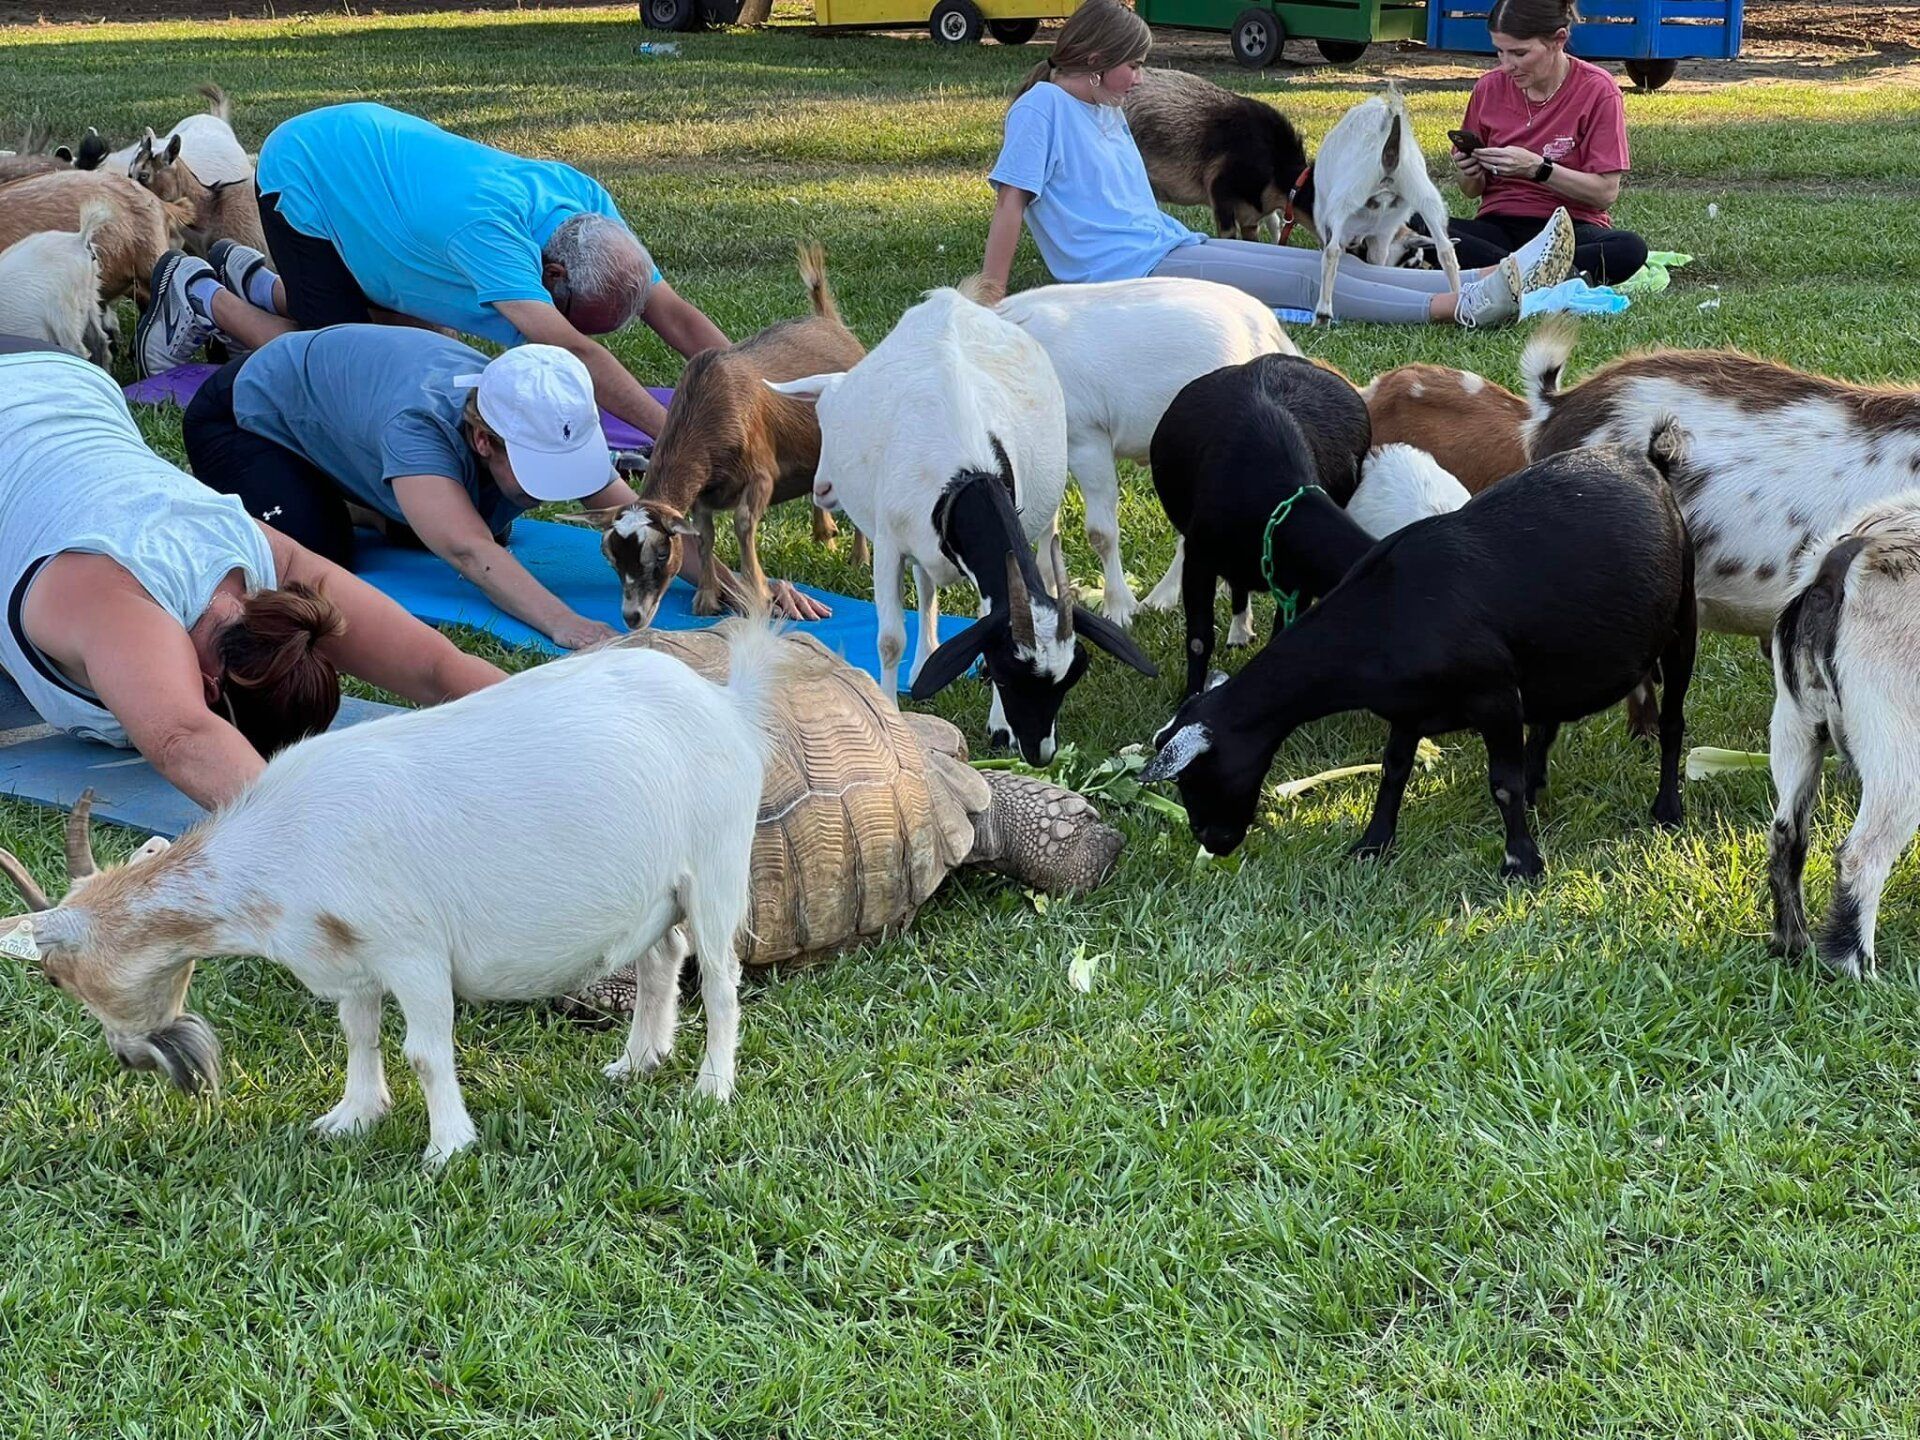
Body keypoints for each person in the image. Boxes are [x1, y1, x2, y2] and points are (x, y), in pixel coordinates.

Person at [0, 337, 509, 810]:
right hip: (44, 390)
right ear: (208, 688)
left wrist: (572, 727)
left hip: (65, 381)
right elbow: (184, 739)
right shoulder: (126, 603)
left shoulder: (264, 563)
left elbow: (436, 666)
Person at [181, 326, 831, 650]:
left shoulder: (523, 400)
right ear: (483, 441)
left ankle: (376, 497)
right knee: (318, 551)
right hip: (241, 421)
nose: (553, 491)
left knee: (485, 513)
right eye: (534, 464)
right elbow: (470, 554)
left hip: (352, 411)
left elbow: (635, 516)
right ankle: (344, 498)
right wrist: (571, 625)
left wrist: (744, 583)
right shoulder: (417, 428)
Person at [136, 102, 724, 439]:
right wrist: (676, 437)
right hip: (310, 173)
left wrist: (762, 393)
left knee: (398, 325)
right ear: (550, 271)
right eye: (572, 318)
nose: (579, 336)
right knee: (341, 357)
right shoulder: (489, 235)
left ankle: (256, 278)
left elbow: (670, 310)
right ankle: (200, 293)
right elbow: (580, 357)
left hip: (378, 189)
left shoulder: (588, 207)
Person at [980, 0, 1575, 328]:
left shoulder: (1101, 106)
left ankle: (1483, 278)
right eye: (1131, 66)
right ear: (1091, 57)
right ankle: (1457, 306)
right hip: (1123, 275)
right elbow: (1011, 203)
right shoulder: (1043, 110)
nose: (1139, 79)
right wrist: (993, 295)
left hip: (1165, 246)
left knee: (1316, 261)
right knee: (1305, 279)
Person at [1445, 0, 1648, 285]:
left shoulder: (1597, 89)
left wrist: (1538, 169)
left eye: (1519, 53)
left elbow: (1604, 193)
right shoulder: (1488, 88)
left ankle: (1500, 274)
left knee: (1629, 248)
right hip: (1498, 224)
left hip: (1570, 228)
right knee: (1410, 224)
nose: (1506, 66)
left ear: (1558, 40)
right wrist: (1469, 172)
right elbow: (1471, 191)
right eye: (1499, 52)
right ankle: (1536, 274)